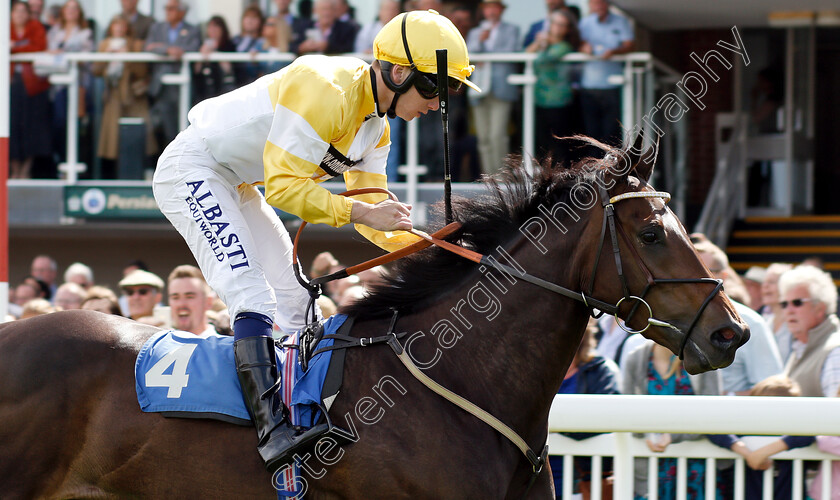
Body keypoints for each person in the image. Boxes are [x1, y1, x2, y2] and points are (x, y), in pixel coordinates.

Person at [152, 9, 478, 473]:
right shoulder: (326, 88)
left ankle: (298, 411)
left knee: (296, 297)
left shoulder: (376, 128)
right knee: (251, 293)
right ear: (400, 72)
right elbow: (286, 190)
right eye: (434, 88)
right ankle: (270, 431)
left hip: (238, 183)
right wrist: (365, 210)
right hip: (193, 170)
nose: (436, 103)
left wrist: (431, 245)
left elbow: (372, 218)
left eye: (449, 92)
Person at [621, 339, 721, 499]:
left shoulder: (704, 357)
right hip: (649, 467)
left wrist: (673, 436)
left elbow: (712, 416)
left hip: (694, 467)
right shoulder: (636, 358)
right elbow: (626, 413)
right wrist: (647, 432)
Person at [693, 239, 783, 395]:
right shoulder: (669, 319)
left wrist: (727, 397)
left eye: (705, 270)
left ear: (724, 276)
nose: (696, 278)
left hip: (731, 417)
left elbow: (771, 389)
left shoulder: (750, 323)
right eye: (690, 270)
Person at [709, 375, 814, 500]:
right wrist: (747, 453)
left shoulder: (797, 432)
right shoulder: (746, 429)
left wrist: (765, 452)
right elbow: (711, 428)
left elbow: (814, 431)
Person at [550, 323, 620, 499]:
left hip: (583, 482)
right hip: (537, 479)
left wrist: (556, 425)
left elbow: (608, 417)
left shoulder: (601, 370)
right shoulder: (536, 371)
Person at [92, 15, 157, 177]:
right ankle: (111, 179)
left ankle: (145, 175)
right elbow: (96, 71)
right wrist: (106, 56)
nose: (119, 29)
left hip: (134, 97)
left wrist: (127, 57)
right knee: (112, 142)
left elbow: (142, 71)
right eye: (116, 25)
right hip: (114, 97)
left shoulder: (135, 44)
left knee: (142, 137)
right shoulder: (104, 44)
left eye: (122, 25)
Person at [467, 0, 521, 176]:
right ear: (484, 11)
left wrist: (487, 56)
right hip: (479, 89)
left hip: (501, 88)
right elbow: (468, 54)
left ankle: (502, 177)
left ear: (500, 10)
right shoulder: (475, 32)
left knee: (497, 135)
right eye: (488, 7)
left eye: (494, 7)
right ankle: (490, 177)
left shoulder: (511, 29)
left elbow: (512, 51)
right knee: (483, 138)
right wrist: (480, 43)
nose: (491, 11)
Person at [354, 0, 403, 181]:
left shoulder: (402, 33)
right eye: (387, 9)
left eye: (393, 10)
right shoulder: (368, 29)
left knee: (390, 138)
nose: (389, 13)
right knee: (362, 138)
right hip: (364, 92)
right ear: (380, 12)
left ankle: (390, 181)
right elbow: (358, 54)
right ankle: (365, 183)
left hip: (392, 93)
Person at [525, 8, 580, 165]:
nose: (558, 28)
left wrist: (545, 42)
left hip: (559, 101)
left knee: (560, 143)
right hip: (540, 99)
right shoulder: (546, 44)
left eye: (563, 25)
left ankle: (562, 178)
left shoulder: (564, 46)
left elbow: (544, 60)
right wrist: (539, 43)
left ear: (568, 29)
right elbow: (526, 54)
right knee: (544, 144)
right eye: (556, 23)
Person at [145, 0, 201, 151]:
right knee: (166, 129)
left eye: (172, 8)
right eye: (166, 8)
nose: (168, 11)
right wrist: (169, 50)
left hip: (183, 84)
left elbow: (193, 47)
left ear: (182, 12)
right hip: (161, 86)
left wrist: (165, 48)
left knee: (184, 126)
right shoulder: (157, 28)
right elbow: (149, 47)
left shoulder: (193, 29)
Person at [578, 0, 634, 146]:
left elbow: (629, 44)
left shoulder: (621, 21)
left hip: (612, 85)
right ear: (590, 5)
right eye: (595, 3)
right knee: (591, 132)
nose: (599, 6)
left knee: (611, 131)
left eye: (601, 3)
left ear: (608, 4)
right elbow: (577, 43)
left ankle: (610, 165)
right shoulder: (585, 23)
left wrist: (614, 51)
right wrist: (584, 48)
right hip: (589, 85)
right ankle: (594, 166)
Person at [779, 265, 840, 398]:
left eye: (797, 303)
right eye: (784, 304)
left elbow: (836, 412)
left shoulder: (835, 352)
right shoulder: (800, 345)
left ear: (819, 308)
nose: (789, 310)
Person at [47, 0, 94, 169]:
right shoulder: (54, 32)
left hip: (77, 85)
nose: (71, 11)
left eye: (75, 8)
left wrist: (65, 54)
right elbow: (47, 53)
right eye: (68, 8)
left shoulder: (85, 32)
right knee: (58, 123)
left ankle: (76, 165)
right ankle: (60, 161)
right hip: (57, 85)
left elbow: (87, 59)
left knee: (75, 125)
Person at [9, 0, 52, 180]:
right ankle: (13, 168)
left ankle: (26, 169)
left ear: (28, 14)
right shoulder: (6, 27)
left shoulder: (36, 27)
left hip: (31, 85)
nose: (19, 15)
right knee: (11, 126)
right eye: (16, 11)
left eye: (22, 11)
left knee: (30, 128)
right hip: (11, 83)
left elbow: (38, 46)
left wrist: (15, 48)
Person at [192, 15, 237, 104]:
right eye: (210, 26)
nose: (213, 30)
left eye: (216, 26)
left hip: (223, 88)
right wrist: (202, 54)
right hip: (204, 89)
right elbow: (196, 70)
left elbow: (229, 69)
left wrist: (216, 52)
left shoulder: (229, 45)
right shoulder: (201, 45)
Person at [167, 265, 219, 337]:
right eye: (175, 297)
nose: (181, 304)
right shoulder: (159, 346)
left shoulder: (226, 347)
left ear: (208, 302)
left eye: (189, 297)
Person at [760, 263, 794, 363]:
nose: (765, 286)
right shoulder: (764, 322)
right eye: (764, 282)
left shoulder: (795, 322)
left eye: (771, 282)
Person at [231, 5, 265, 86]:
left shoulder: (263, 42)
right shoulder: (235, 40)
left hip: (254, 83)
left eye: (254, 18)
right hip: (235, 83)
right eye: (247, 17)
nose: (250, 21)